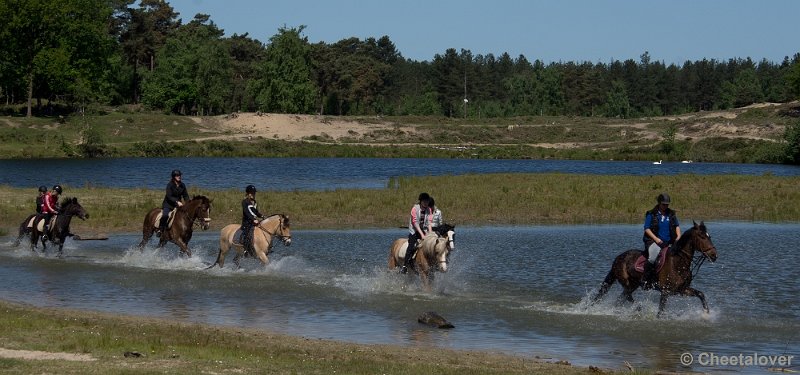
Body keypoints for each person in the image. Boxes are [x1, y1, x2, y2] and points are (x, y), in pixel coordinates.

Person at [642, 192, 681, 286]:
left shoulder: (671, 214)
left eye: (667, 204)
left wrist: (678, 236)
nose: (665, 206)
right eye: (663, 204)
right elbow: (647, 228)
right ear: (659, 203)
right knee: (652, 257)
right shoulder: (651, 214)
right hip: (653, 241)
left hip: (669, 242)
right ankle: (646, 280)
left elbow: (677, 226)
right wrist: (656, 239)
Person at [401, 192, 433, 274]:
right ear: (421, 201)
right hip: (414, 231)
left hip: (423, 230)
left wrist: (430, 235)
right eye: (424, 201)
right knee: (411, 246)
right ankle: (405, 266)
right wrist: (422, 235)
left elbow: (429, 223)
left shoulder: (429, 209)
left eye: (427, 201)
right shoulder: (415, 209)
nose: (426, 203)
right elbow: (415, 223)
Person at [158, 169, 189, 236]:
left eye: (180, 175)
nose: (179, 177)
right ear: (173, 176)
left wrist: (188, 203)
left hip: (178, 205)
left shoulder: (182, 185)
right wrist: (177, 201)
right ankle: (160, 229)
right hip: (168, 205)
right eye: (177, 175)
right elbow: (169, 196)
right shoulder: (170, 185)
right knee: (165, 215)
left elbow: (185, 195)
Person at [240, 184, 264, 257]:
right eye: (252, 193)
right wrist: (253, 219)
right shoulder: (245, 202)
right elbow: (247, 212)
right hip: (247, 222)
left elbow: (255, 211)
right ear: (248, 193)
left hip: (254, 222)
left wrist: (261, 216)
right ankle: (245, 249)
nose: (253, 195)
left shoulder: (254, 202)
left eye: (254, 193)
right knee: (247, 233)